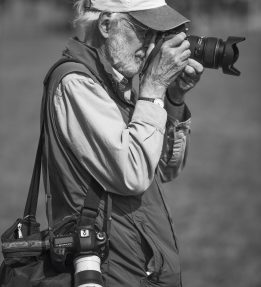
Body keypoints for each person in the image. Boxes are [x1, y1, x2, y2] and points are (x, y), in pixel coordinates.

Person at [42, 0, 204, 286]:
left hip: (139, 270)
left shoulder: (118, 82)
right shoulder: (76, 83)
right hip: (110, 273)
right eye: (145, 32)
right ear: (106, 25)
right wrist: (154, 90)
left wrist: (173, 100)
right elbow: (133, 174)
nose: (153, 46)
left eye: (158, 36)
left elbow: (165, 170)